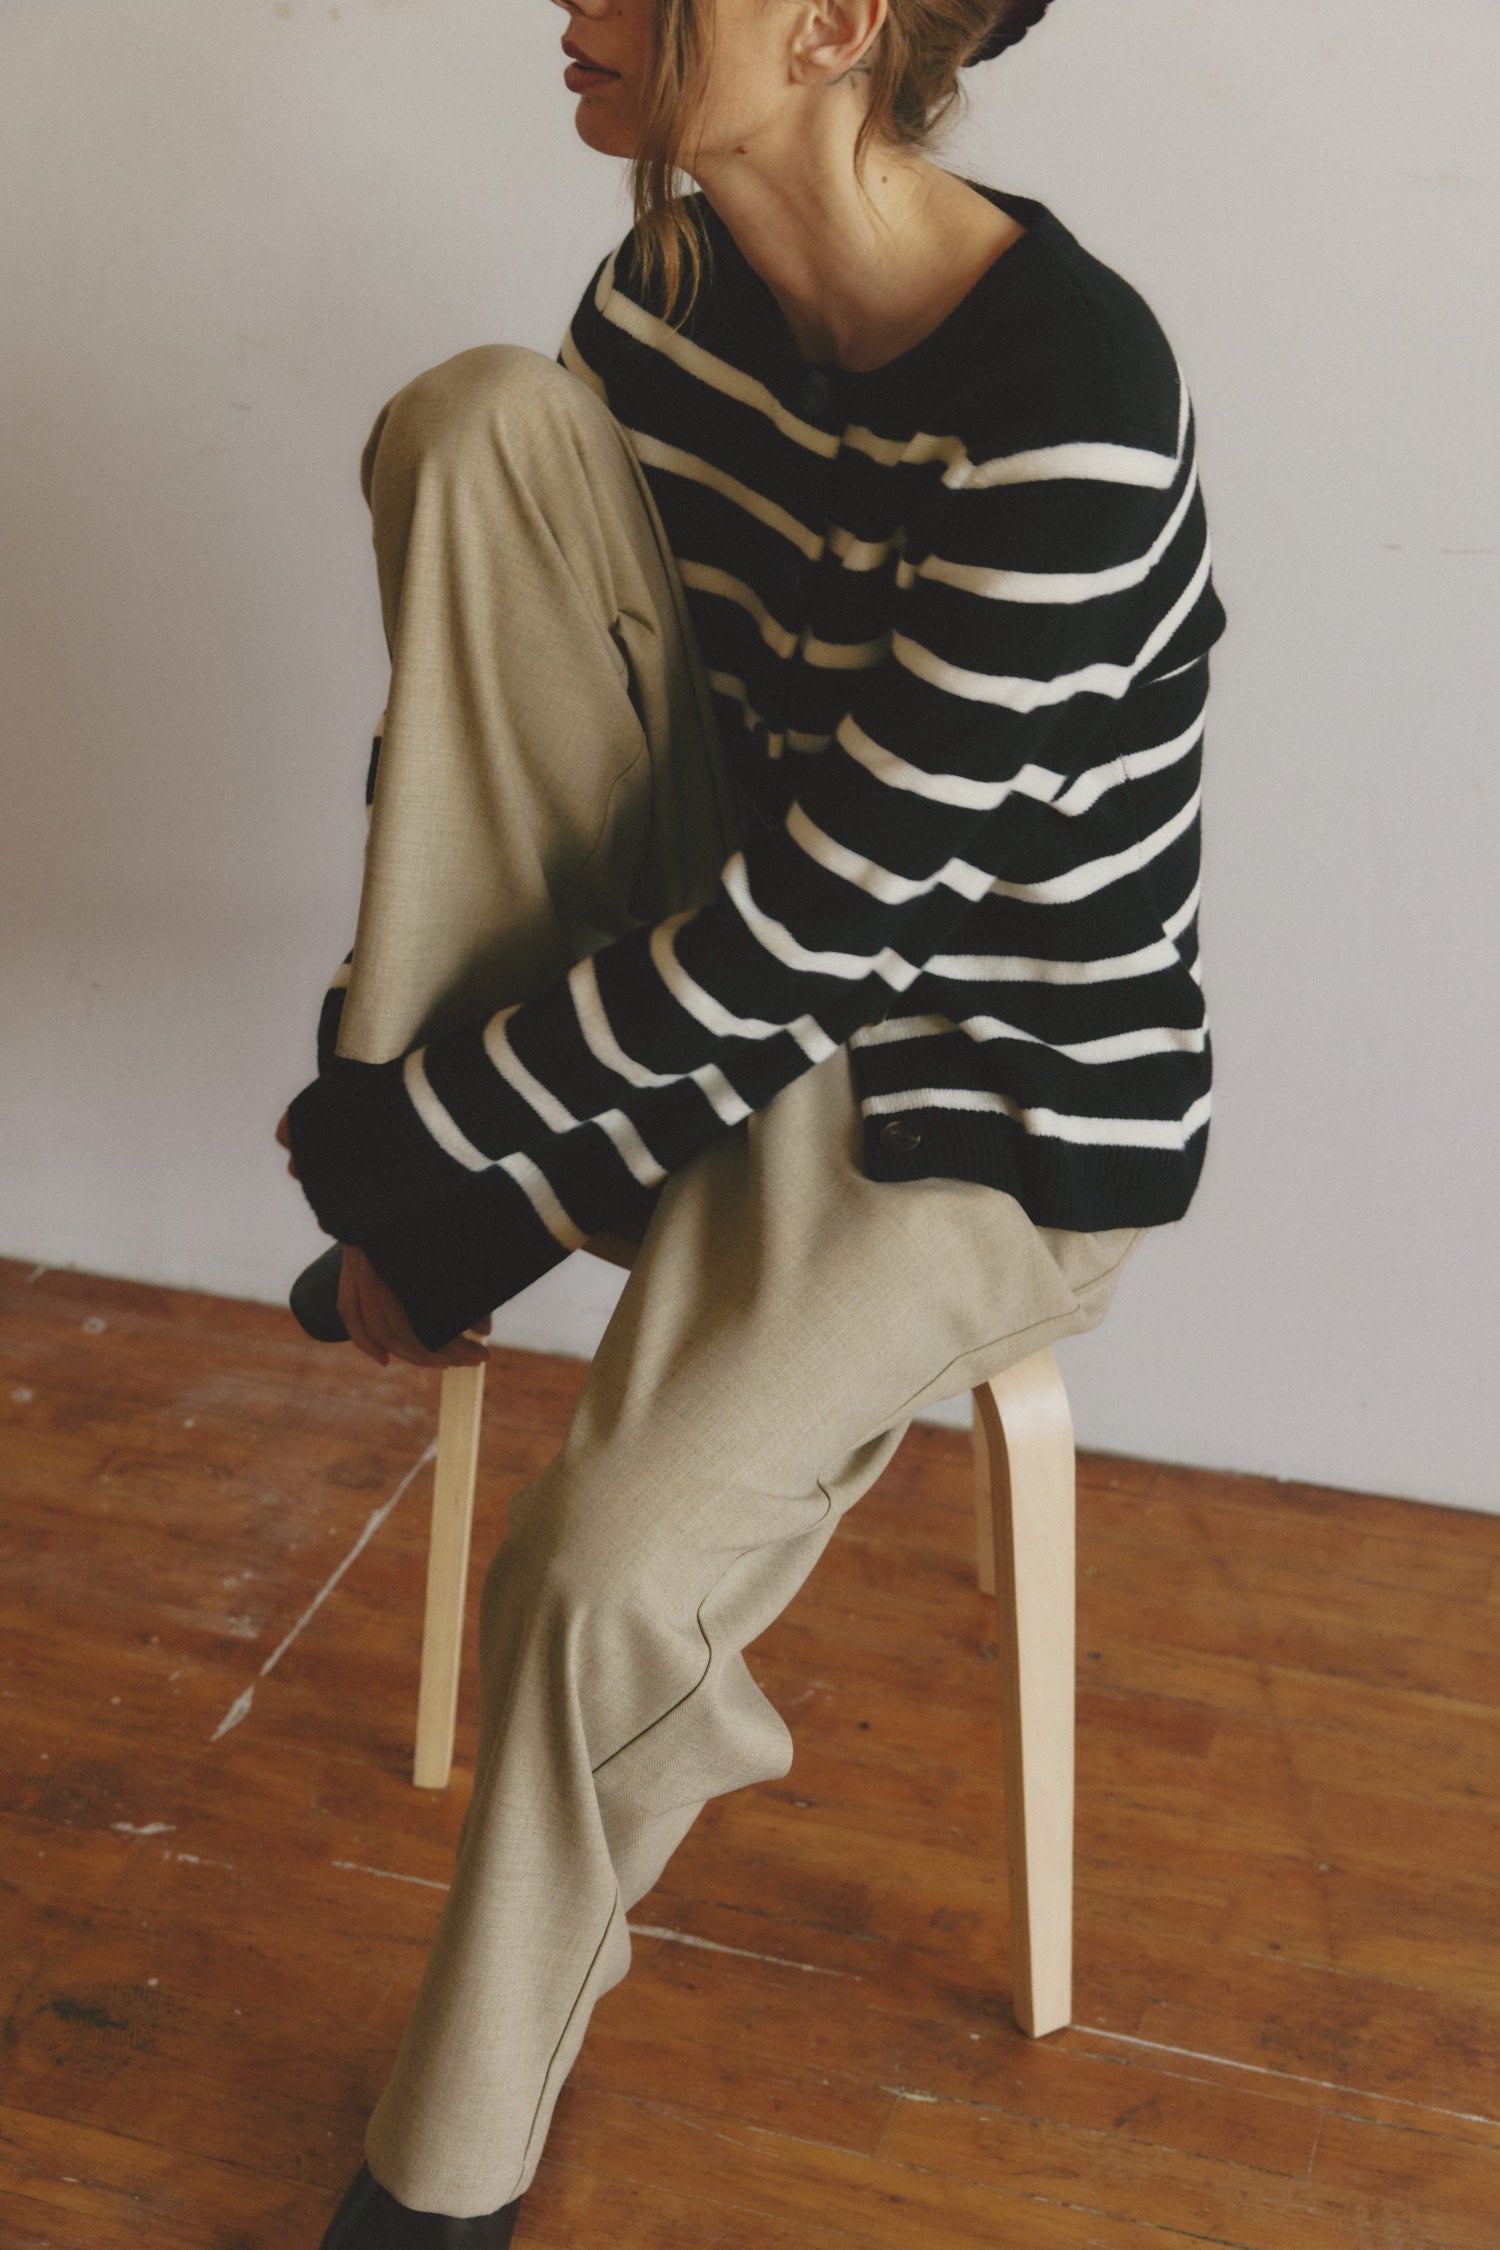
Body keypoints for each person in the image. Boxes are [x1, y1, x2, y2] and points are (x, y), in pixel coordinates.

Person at [279, 0, 1227, 2238]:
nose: (573, 9)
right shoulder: (662, 297)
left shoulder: (1072, 412)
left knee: (598, 1583)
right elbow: (527, 737)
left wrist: (425, 1136)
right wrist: (410, 1086)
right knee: (481, 428)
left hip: (973, 1105)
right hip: (724, 977)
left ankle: (447, 2170)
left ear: (829, 23)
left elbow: (826, 944)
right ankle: (476, 1197)